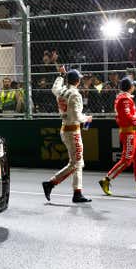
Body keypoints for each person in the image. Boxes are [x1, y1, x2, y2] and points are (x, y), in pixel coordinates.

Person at [42, 66, 93, 203]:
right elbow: (76, 116)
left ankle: (77, 192)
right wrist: (86, 118)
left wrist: (60, 75)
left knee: (78, 162)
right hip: (73, 130)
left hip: (65, 128)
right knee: (76, 163)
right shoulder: (75, 94)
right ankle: (51, 183)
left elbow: (54, 88)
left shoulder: (61, 91)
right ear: (77, 81)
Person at [99, 77, 136, 196]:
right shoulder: (125, 99)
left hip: (132, 133)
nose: (134, 87)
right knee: (126, 160)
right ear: (130, 87)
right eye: (133, 85)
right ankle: (106, 180)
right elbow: (127, 117)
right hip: (129, 133)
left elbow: (129, 115)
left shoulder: (125, 98)